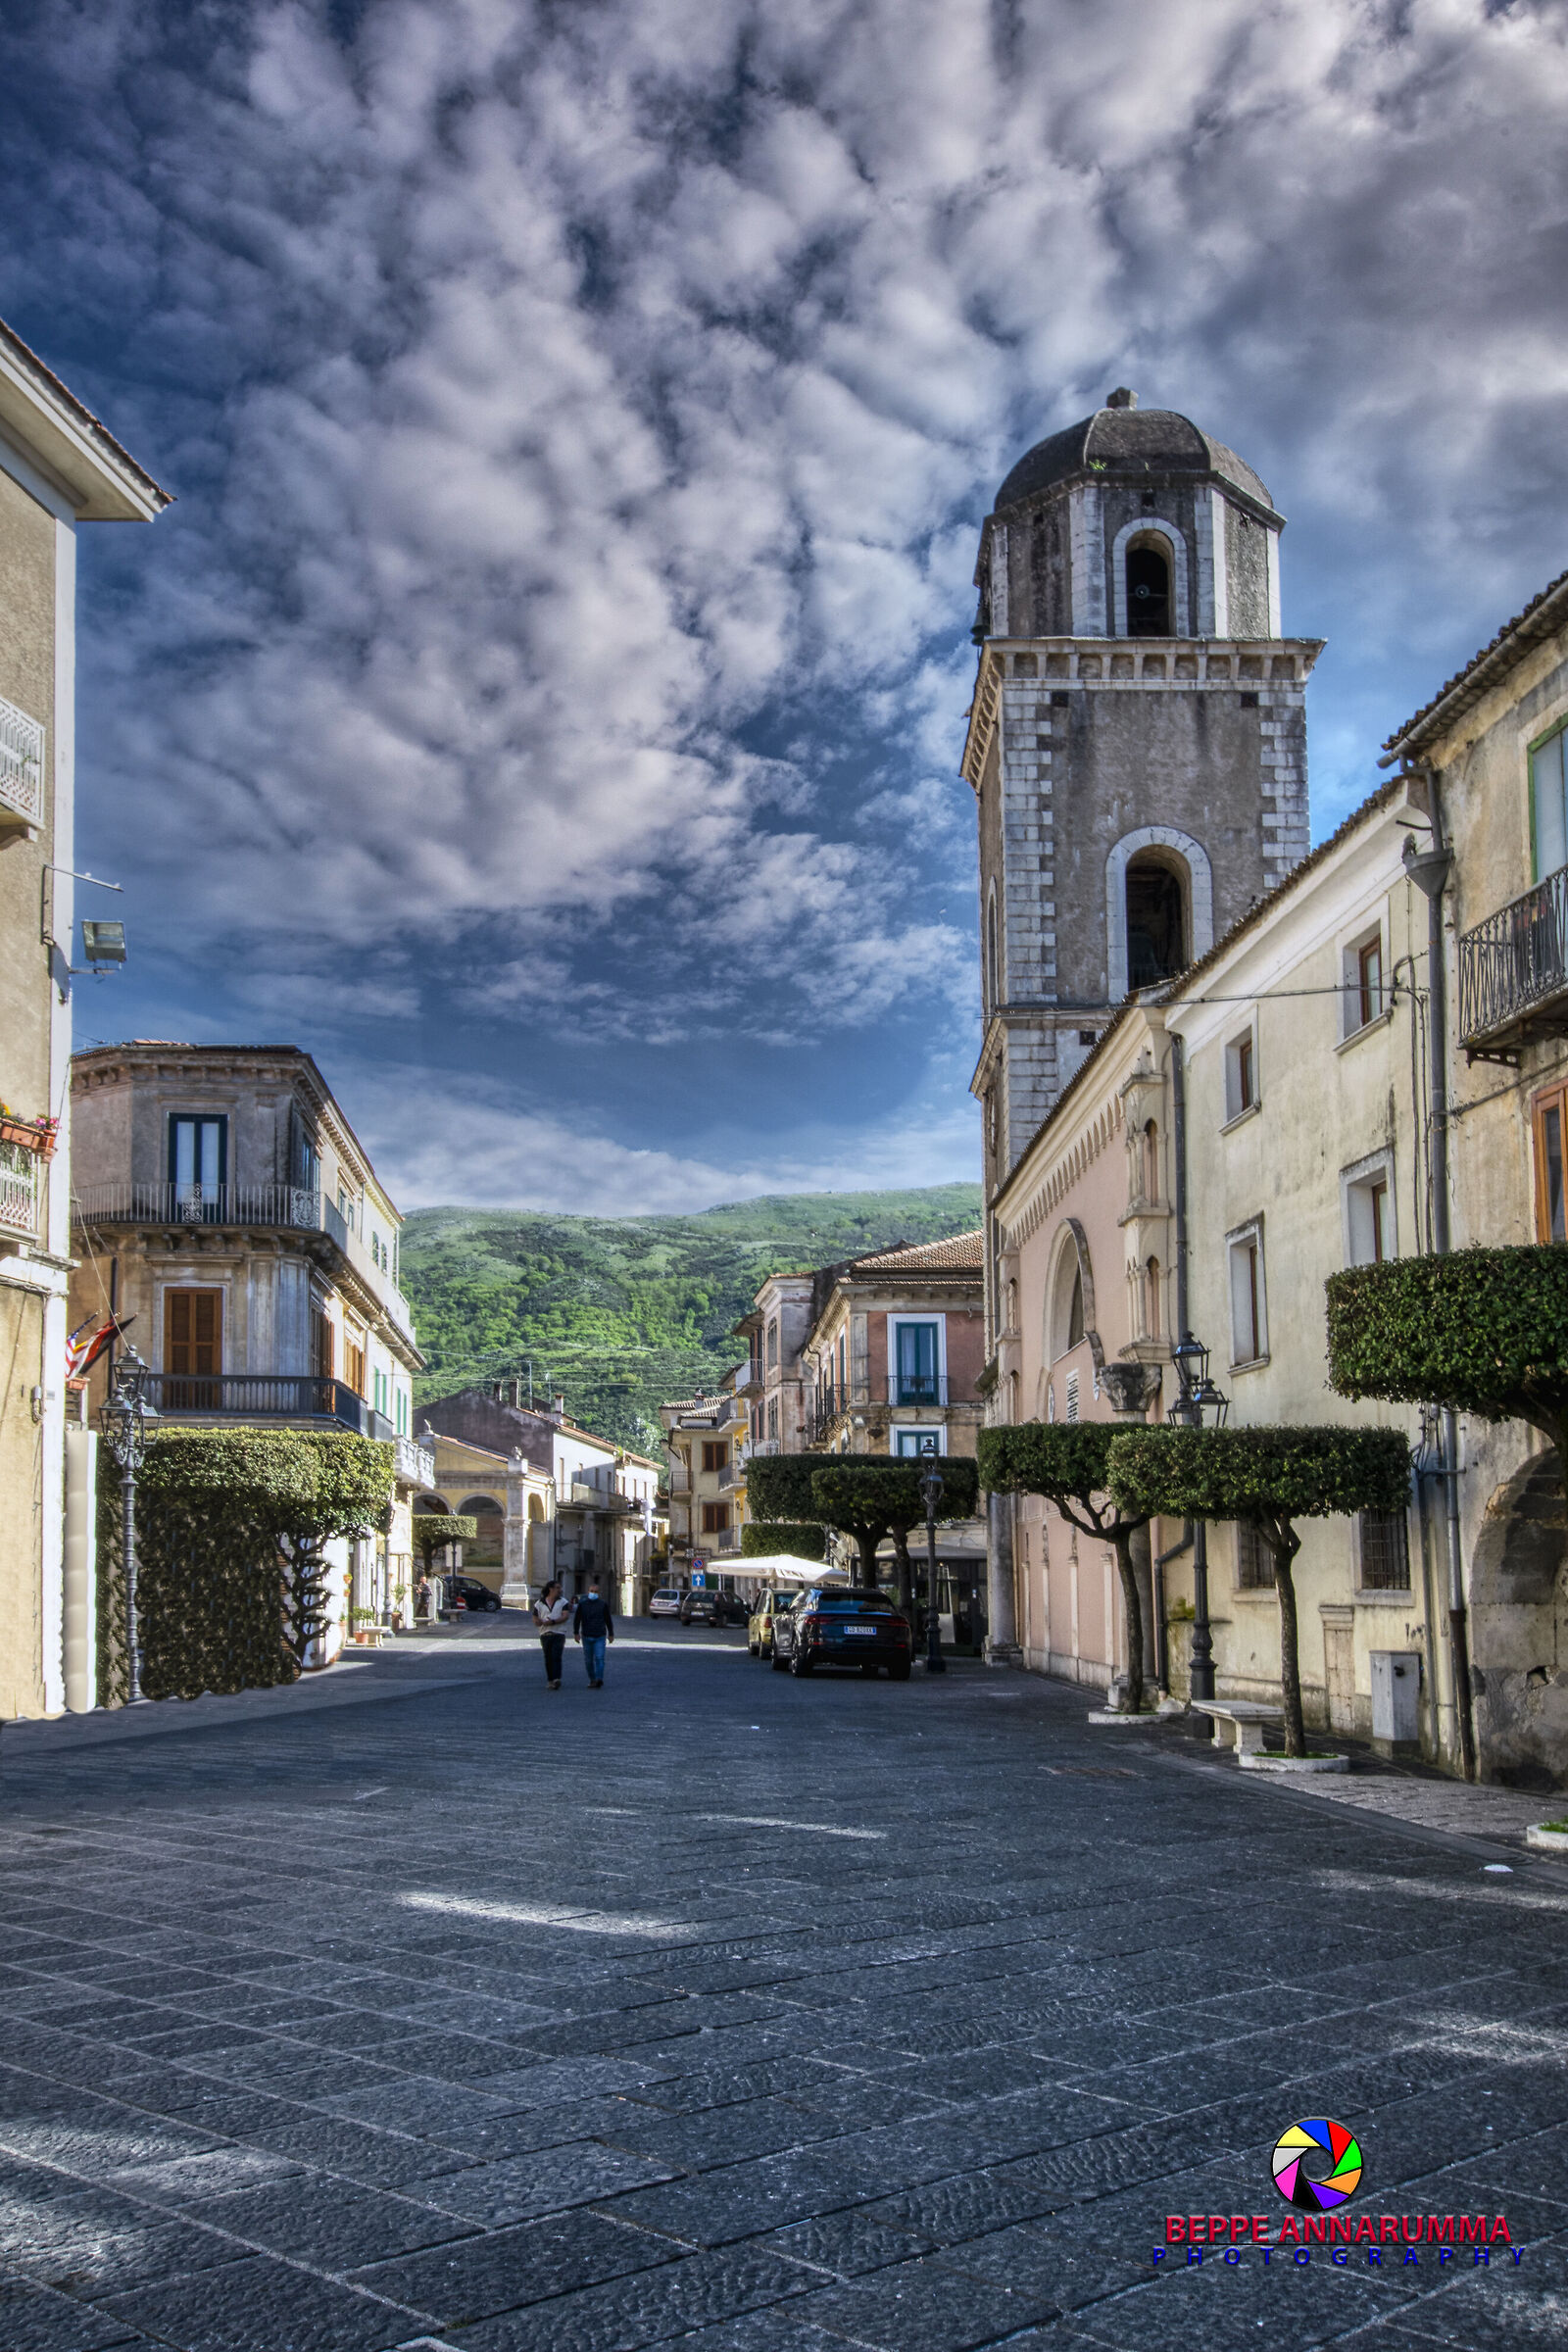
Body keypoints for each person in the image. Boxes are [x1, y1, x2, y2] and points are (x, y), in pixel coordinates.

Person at [572, 1573, 614, 1687]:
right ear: (588, 1592)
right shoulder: (582, 1605)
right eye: (592, 1591)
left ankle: (599, 1678)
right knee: (588, 1660)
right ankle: (592, 1679)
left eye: (595, 1592)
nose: (593, 1593)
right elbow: (577, 1619)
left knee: (600, 1658)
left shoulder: (603, 1604)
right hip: (586, 1635)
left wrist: (611, 1633)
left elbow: (608, 1620)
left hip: (600, 1635)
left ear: (599, 1593)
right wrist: (576, 1633)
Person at [532, 1579, 570, 1690]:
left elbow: (565, 1616)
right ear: (551, 1589)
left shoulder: (563, 1602)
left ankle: (556, 1678)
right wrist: (538, 1622)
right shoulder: (539, 1603)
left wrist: (553, 1622)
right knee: (548, 1657)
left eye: (560, 1588)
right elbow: (535, 1617)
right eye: (557, 1588)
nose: (560, 1590)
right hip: (545, 1633)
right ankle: (550, 1680)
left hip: (559, 1632)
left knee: (556, 1655)